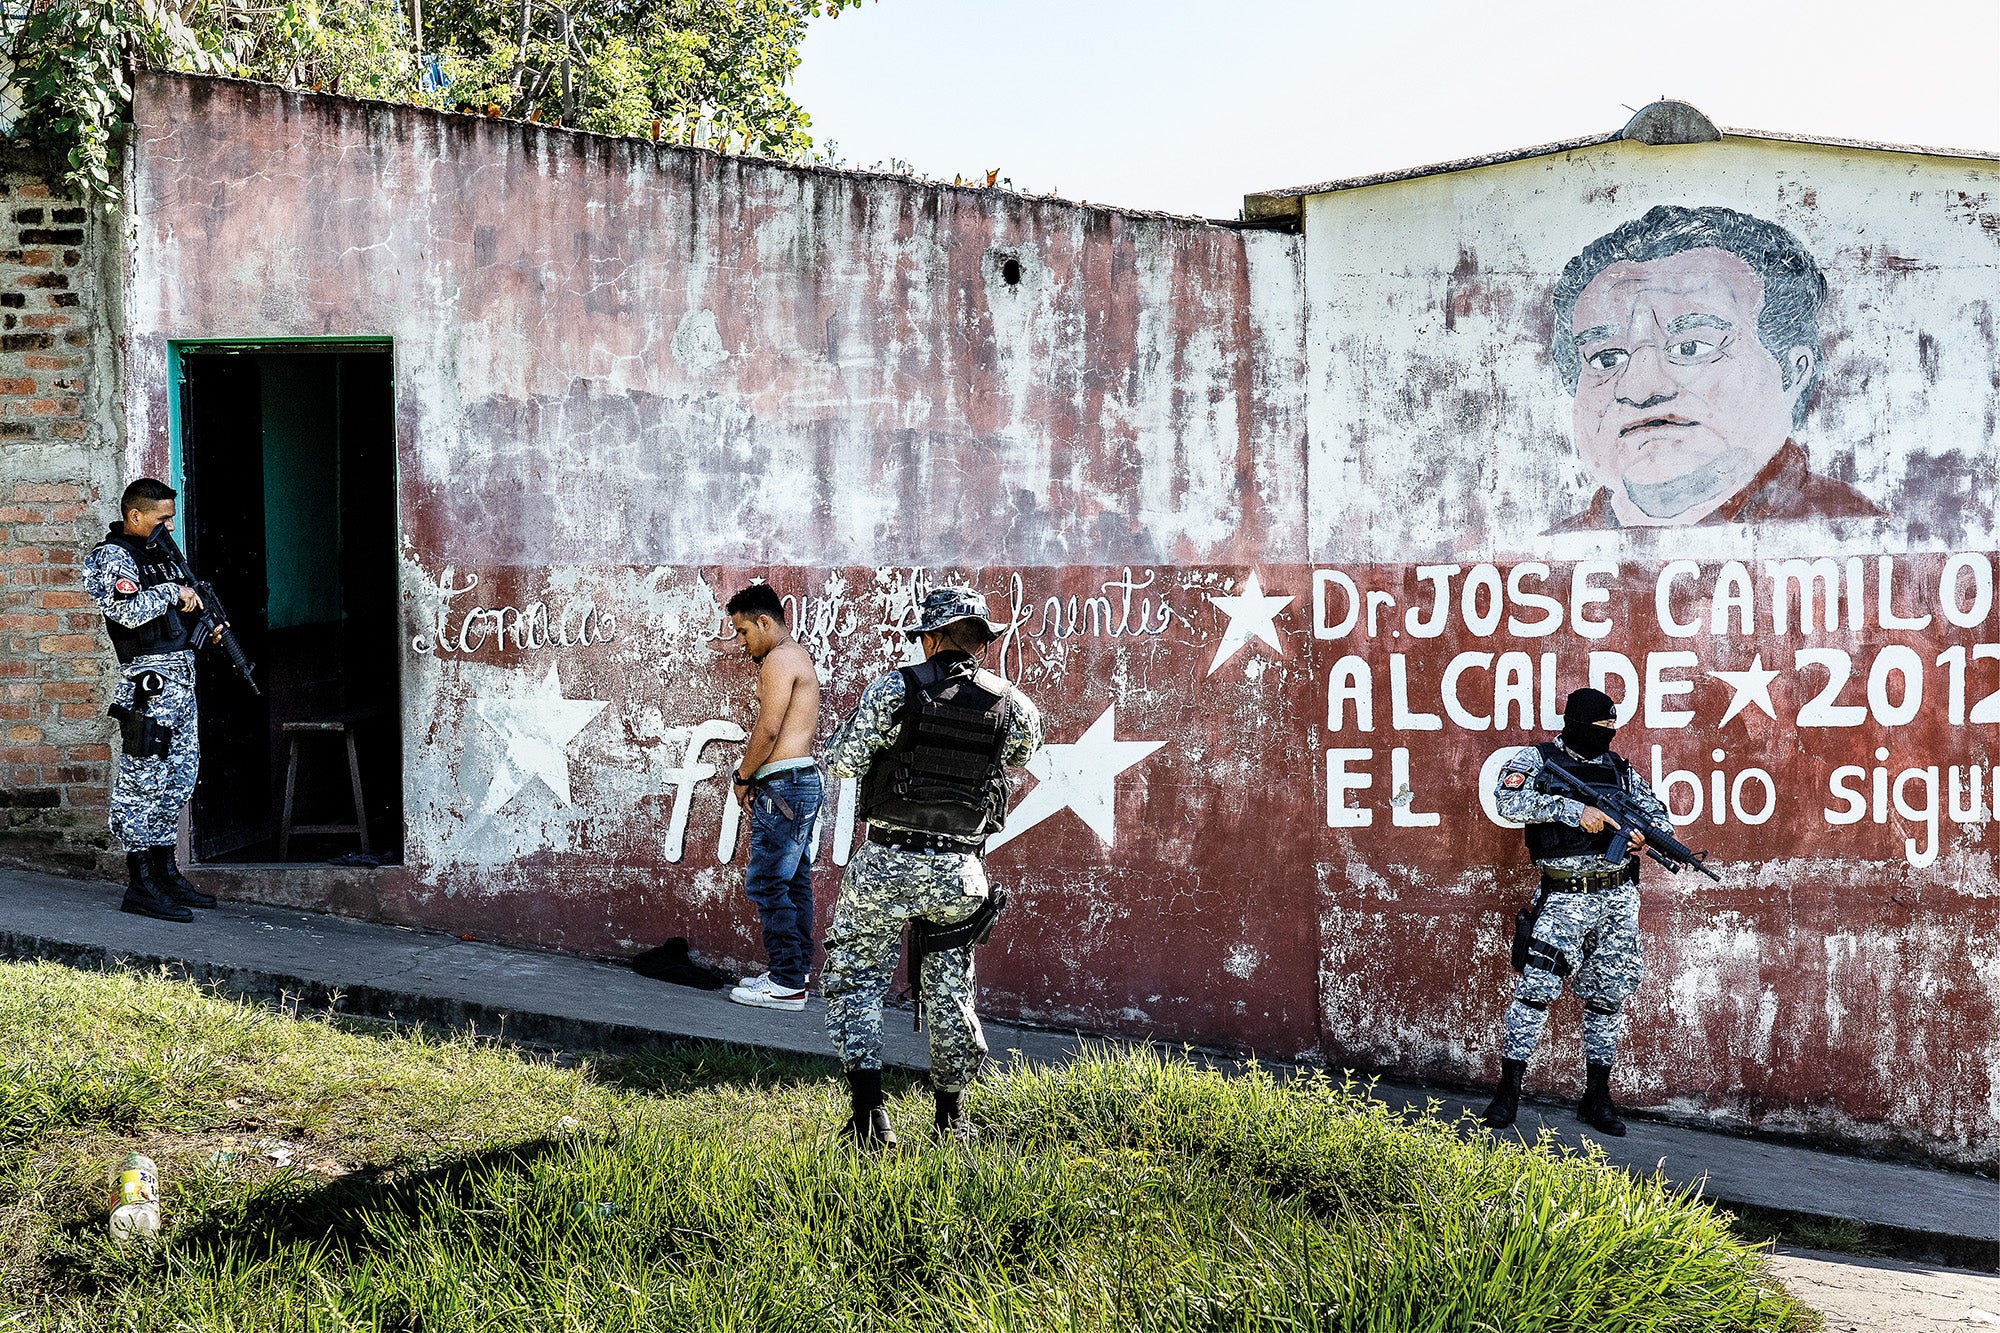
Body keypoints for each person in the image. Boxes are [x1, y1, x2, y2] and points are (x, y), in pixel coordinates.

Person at [821, 587, 1042, 1148]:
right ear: (979, 643)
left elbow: (844, 761)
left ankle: (870, 1116)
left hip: (886, 862)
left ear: (935, 637)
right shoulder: (1011, 703)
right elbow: (1020, 757)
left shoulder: (897, 687)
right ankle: (951, 1118)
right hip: (959, 870)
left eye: (922, 637)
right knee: (950, 990)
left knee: (857, 981)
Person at [1546, 204, 1884, 531]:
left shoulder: (1856, 529)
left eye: (1691, 347)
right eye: (1606, 358)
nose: (1639, 389)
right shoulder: (1545, 561)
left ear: (1792, 373)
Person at [1480, 687, 1669, 1137]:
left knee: (1608, 997)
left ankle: (1597, 1097)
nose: (1607, 736)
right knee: (1535, 991)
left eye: (1611, 729)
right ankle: (1508, 1093)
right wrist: (1571, 810)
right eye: (1599, 728)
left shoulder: (1619, 770)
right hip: (1565, 897)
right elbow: (1506, 802)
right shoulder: (1537, 760)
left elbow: (1660, 816)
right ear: (1577, 724)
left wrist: (1646, 834)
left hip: (1618, 897)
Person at [81, 479, 217, 923]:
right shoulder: (111, 557)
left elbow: (179, 609)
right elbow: (125, 611)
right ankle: (141, 883)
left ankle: (165, 872)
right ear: (134, 516)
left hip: (181, 679)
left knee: (177, 777)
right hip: (149, 683)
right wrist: (173, 594)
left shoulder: (159, 555)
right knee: (142, 782)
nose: (170, 525)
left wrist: (203, 614)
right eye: (162, 518)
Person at [721, 584, 824, 1012]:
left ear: (764, 622)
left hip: (782, 787)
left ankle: (785, 984)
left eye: (743, 632)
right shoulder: (797, 655)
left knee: (766, 882)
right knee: (793, 881)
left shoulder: (779, 660)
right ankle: (794, 974)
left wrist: (742, 777)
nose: (742, 643)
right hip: (799, 783)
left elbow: (767, 730)